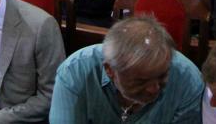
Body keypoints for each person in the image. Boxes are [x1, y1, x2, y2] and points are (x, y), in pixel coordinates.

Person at [50, 15, 204, 123]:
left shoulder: (187, 79)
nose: (154, 88)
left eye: (162, 76)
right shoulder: (75, 71)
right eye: (141, 81)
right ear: (110, 70)